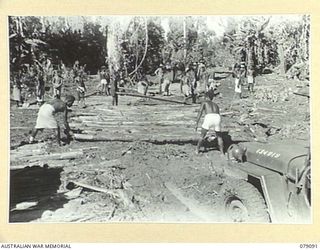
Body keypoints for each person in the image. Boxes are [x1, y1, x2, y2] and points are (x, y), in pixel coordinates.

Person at [195, 89, 224, 155]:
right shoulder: (216, 105)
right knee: (219, 137)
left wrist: (196, 123)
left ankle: (197, 150)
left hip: (209, 117)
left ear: (206, 97)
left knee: (202, 135)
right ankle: (222, 153)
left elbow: (200, 112)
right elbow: (218, 114)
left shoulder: (204, 102)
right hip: (217, 117)